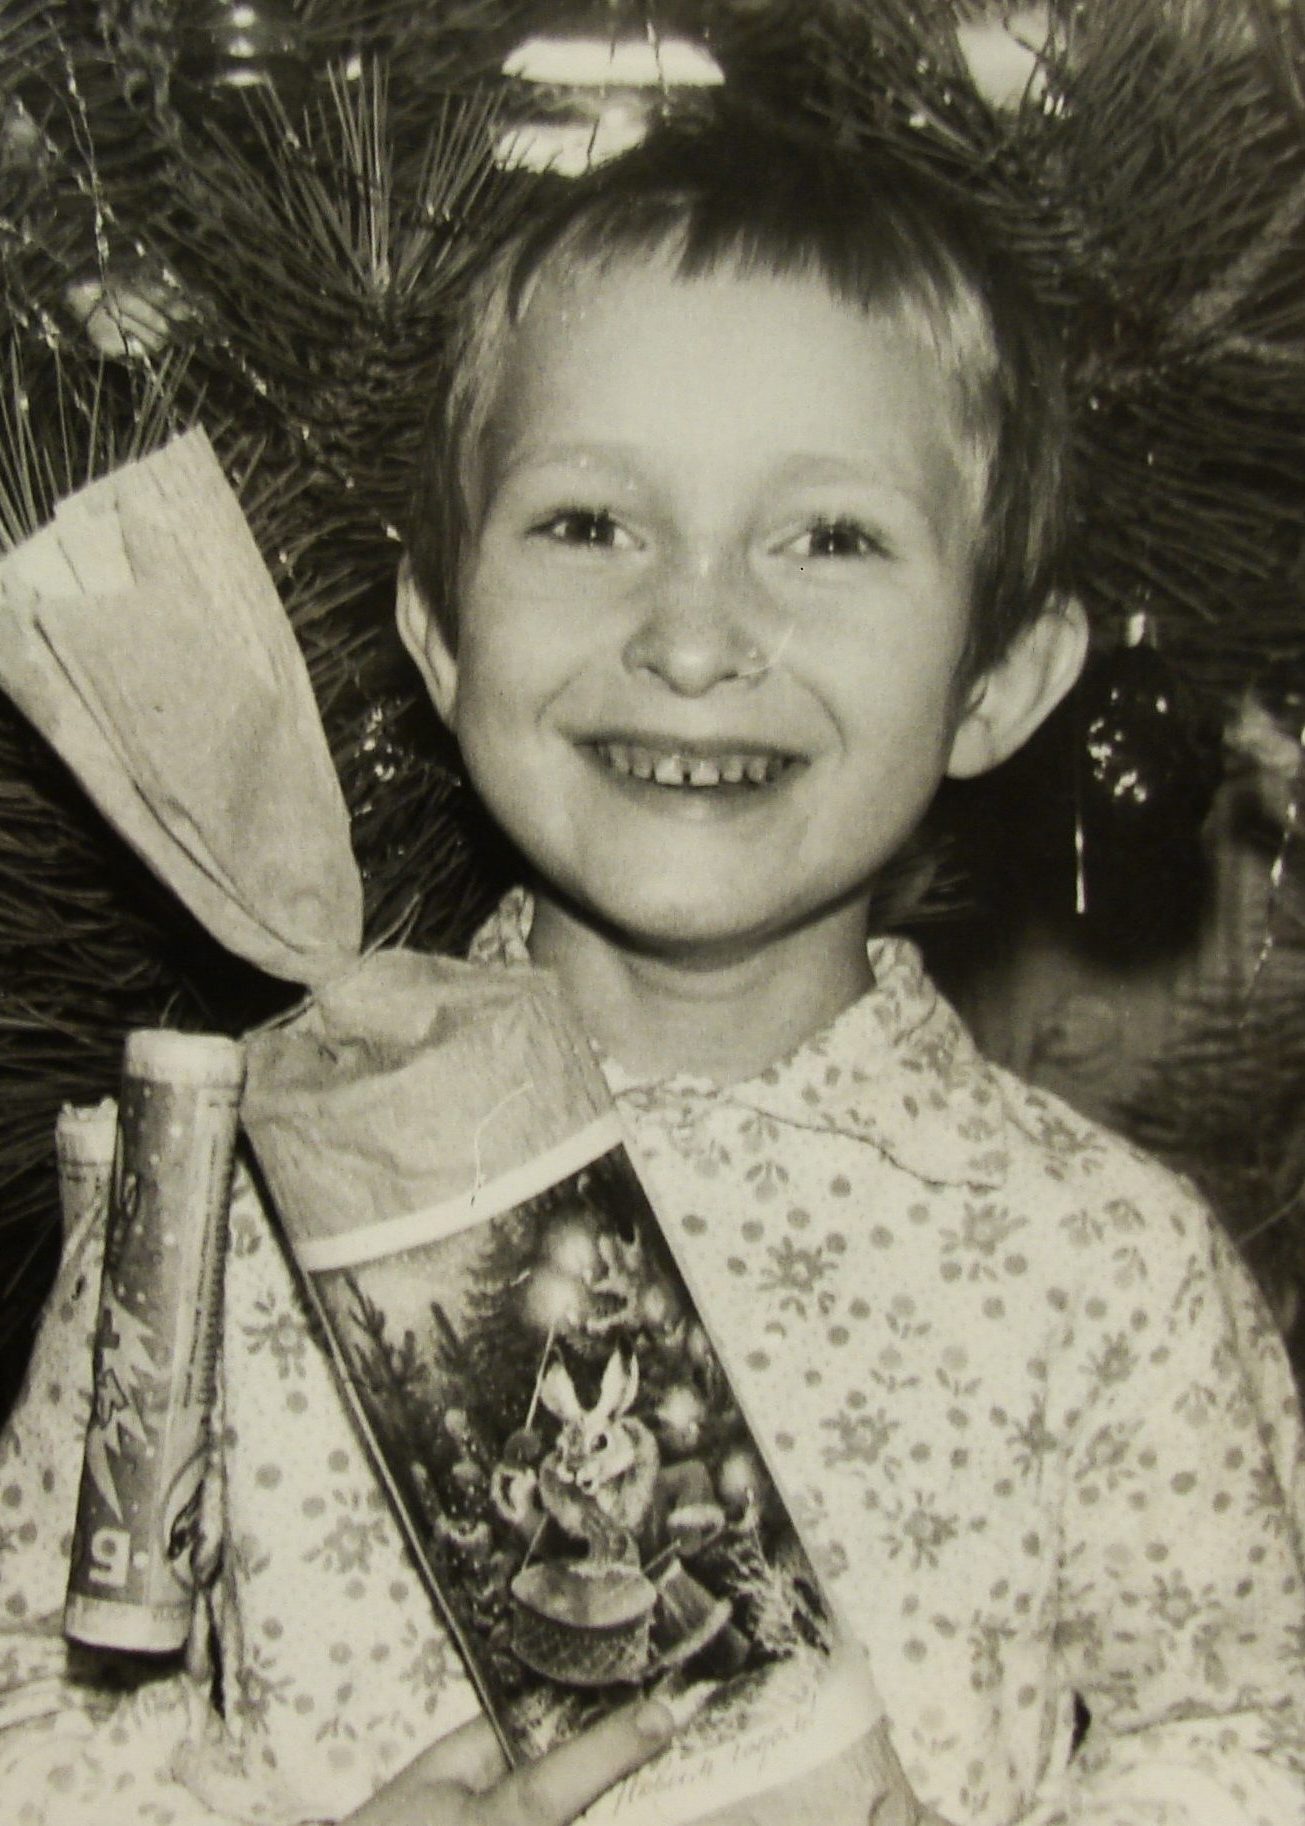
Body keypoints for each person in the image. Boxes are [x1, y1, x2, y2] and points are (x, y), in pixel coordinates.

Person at [2, 108, 1304, 1826]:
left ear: (996, 678)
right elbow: (43, 1708)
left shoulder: (1101, 1266)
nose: (691, 637)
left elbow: (1248, 1728)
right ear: (439, 633)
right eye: (587, 523)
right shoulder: (224, 1211)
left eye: (827, 538)